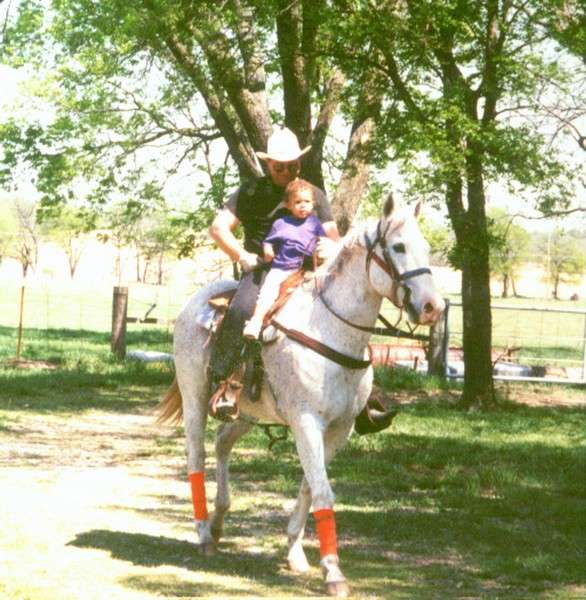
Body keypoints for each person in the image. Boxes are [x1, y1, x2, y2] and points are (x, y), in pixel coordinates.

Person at [207, 126, 340, 421]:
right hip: (264, 270)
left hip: (308, 272)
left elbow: (334, 237)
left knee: (346, 309)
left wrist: (330, 248)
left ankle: (361, 394)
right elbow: (218, 228)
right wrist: (242, 256)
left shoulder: (313, 194)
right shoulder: (251, 191)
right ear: (268, 164)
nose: (287, 171)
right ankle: (224, 382)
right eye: (280, 166)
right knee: (242, 309)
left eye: (293, 165)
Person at [242, 178, 325, 340]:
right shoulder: (281, 223)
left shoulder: (315, 223)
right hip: (281, 267)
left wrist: (322, 251)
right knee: (268, 291)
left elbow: (323, 241)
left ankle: (304, 328)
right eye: (297, 202)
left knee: (313, 294)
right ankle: (256, 320)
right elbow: (268, 241)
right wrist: (267, 250)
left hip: (305, 269)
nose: (302, 205)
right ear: (288, 205)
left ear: (313, 204)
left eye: (306, 201)